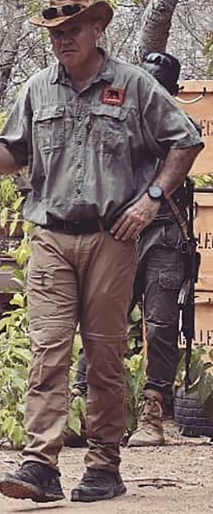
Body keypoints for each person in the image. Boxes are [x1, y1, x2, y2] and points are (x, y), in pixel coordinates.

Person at [0, 0, 203, 504]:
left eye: (72, 31)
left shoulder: (133, 85)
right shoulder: (37, 89)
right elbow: (14, 156)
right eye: (55, 35)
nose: (62, 41)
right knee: (48, 351)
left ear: (97, 31)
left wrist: (152, 200)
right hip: (51, 235)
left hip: (113, 237)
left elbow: (186, 139)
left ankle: (103, 464)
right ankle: (40, 464)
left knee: (105, 354)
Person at [74, 52, 197, 448]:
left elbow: (182, 151)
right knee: (102, 322)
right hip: (120, 233)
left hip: (163, 233)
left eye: (159, 83)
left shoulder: (181, 127)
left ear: (173, 91)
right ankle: (83, 408)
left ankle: (153, 412)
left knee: (161, 325)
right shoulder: (118, 120)